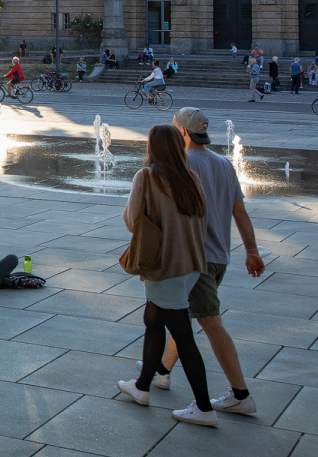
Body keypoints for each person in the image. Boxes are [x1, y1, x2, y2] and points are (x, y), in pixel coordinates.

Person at [143, 108, 264, 416]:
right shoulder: (224, 164)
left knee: (209, 321)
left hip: (196, 259)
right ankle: (162, 371)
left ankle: (240, 394)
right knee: (180, 315)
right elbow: (240, 213)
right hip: (220, 255)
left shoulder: (182, 166)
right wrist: (251, 251)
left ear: (182, 132)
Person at [116, 123, 216, 427]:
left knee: (184, 338)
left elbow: (132, 221)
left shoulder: (146, 177)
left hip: (165, 266)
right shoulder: (191, 177)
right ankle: (142, 386)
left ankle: (204, 408)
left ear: (152, 146)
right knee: (153, 319)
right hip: (190, 264)